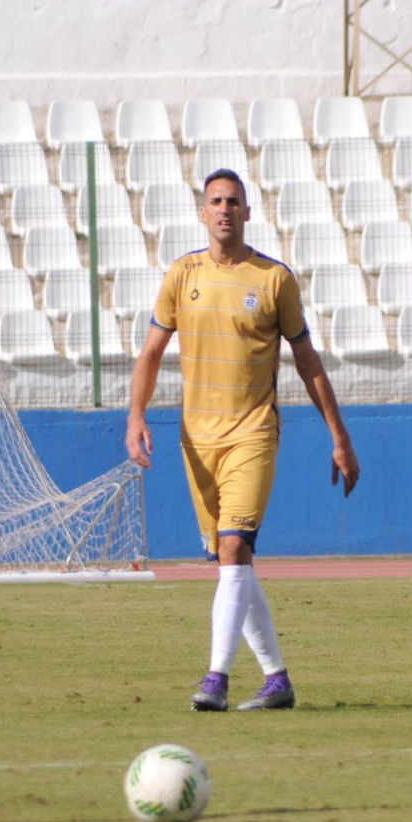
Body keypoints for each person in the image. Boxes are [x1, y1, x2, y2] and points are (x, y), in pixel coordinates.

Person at [127, 168, 359, 712]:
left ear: (248, 212)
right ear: (202, 213)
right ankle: (276, 679)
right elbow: (151, 354)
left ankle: (216, 678)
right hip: (196, 439)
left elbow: (307, 362)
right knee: (232, 560)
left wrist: (339, 436)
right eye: (216, 201)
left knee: (234, 546)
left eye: (234, 201)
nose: (225, 209)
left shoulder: (274, 279)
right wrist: (135, 416)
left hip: (253, 431)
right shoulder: (181, 275)